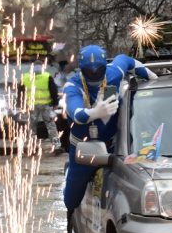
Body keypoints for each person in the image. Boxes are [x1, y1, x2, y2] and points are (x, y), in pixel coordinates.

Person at [62, 45, 155, 213]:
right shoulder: (73, 86)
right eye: (89, 71)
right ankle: (70, 175)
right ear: (81, 70)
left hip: (114, 146)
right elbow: (76, 113)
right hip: (84, 150)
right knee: (71, 201)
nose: (94, 74)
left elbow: (128, 60)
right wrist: (95, 112)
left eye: (99, 70)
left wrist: (149, 75)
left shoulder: (114, 72)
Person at [21, 60, 62, 153]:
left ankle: (31, 147)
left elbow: (21, 92)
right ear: (42, 66)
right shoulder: (47, 76)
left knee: (31, 126)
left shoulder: (26, 77)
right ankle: (57, 146)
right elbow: (53, 91)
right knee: (51, 125)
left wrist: (21, 104)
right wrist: (55, 103)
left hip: (31, 105)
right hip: (45, 105)